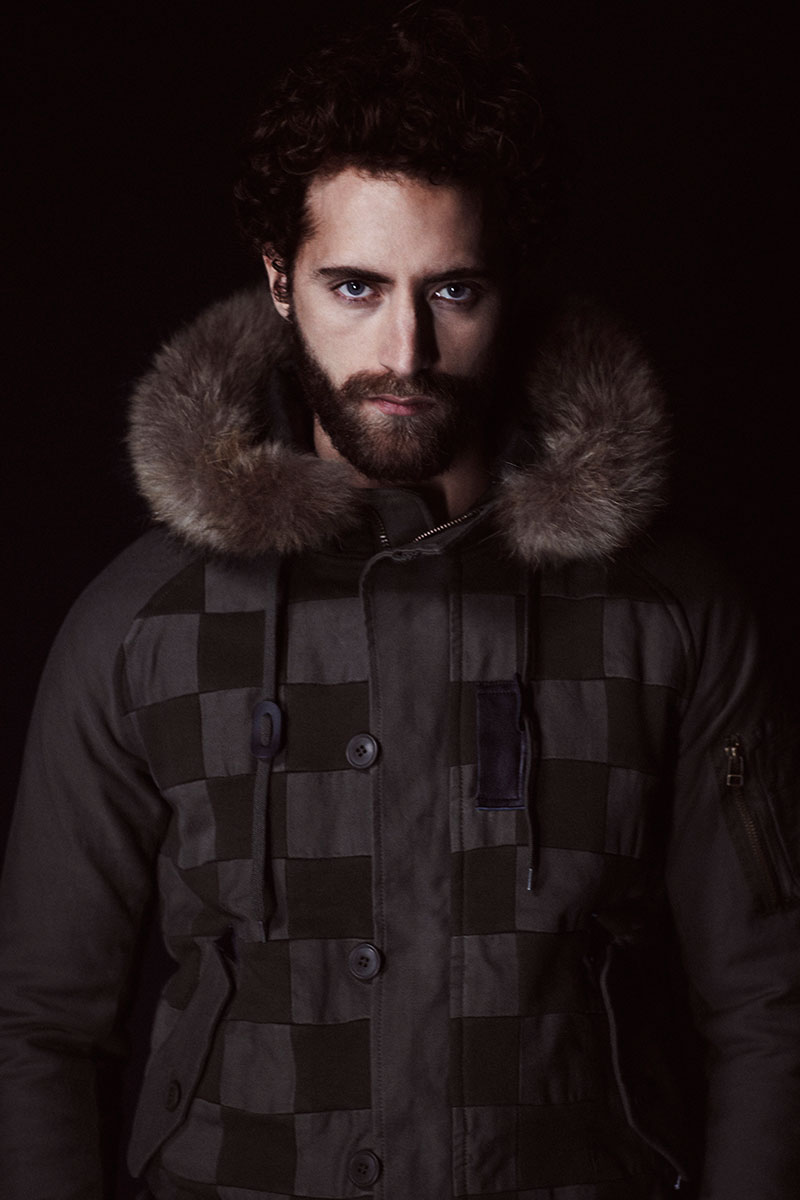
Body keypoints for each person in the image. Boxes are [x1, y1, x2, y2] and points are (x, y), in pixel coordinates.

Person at [1, 8, 798, 1200]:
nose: (405, 351)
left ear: (508, 288)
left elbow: (768, 1003)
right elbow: (37, 1025)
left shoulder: (668, 612)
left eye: (452, 290)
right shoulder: (140, 625)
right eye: (355, 286)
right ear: (279, 279)